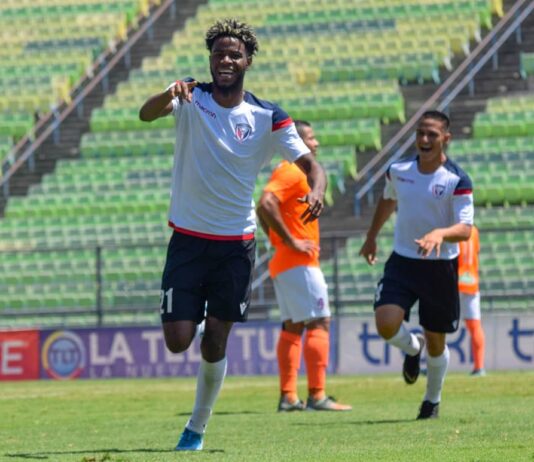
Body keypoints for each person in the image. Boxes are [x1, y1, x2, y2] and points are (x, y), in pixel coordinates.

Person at [139, 19, 326, 451]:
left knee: (215, 342)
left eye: (234, 54)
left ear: (248, 61)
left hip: (235, 245)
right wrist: (168, 94)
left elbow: (311, 165)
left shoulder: (268, 116)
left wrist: (316, 189)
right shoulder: (189, 95)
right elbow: (145, 114)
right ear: (210, 58)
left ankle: (196, 427)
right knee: (178, 341)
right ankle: (198, 320)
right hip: (187, 240)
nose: (226, 59)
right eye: (219, 53)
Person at [359, 110, 474, 420]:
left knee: (437, 342)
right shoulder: (399, 170)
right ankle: (412, 347)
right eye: (420, 133)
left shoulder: (457, 180)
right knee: (385, 323)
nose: (424, 139)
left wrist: (440, 234)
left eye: (432, 134)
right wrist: (371, 237)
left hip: (440, 267)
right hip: (403, 261)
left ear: (446, 138)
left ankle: (431, 401)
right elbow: (388, 200)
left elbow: (465, 229)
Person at [257, 120, 352, 413]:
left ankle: (288, 397)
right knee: (319, 321)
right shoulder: (292, 169)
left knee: (293, 326)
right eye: (310, 138)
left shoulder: (290, 170)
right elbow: (265, 203)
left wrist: (279, 240)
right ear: (297, 142)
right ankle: (317, 395)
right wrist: (291, 241)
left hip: (286, 262)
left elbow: (263, 209)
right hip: (299, 262)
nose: (316, 143)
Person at [458, 224, 486, 376]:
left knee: (438, 324)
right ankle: (479, 367)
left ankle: (432, 362)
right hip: (471, 280)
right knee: (475, 326)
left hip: (454, 280)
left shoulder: (453, 229)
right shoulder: (474, 230)